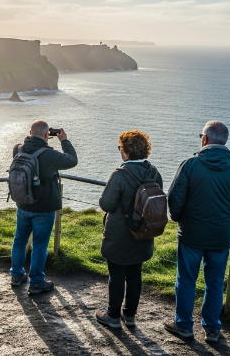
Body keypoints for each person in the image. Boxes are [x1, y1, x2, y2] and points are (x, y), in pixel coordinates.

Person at [163, 121, 230, 343]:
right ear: (224, 141)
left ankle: (183, 325)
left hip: (191, 233)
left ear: (204, 139)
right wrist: (228, 220)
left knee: (186, 280)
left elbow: (175, 198)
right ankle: (212, 329)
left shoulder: (190, 165)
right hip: (221, 236)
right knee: (215, 283)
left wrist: (179, 218)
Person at [95, 130, 161, 329]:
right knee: (135, 275)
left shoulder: (120, 175)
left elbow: (106, 204)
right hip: (142, 233)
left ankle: (113, 316)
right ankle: (130, 315)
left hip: (119, 235)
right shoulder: (154, 172)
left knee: (116, 277)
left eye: (120, 148)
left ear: (125, 151)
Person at [10, 120, 78, 294]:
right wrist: (64, 140)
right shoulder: (49, 155)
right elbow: (72, 160)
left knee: (19, 240)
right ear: (48, 135)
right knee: (40, 245)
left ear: (30, 133)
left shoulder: (18, 149)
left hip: (23, 203)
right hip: (44, 208)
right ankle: (36, 282)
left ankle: (16, 275)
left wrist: (42, 139)